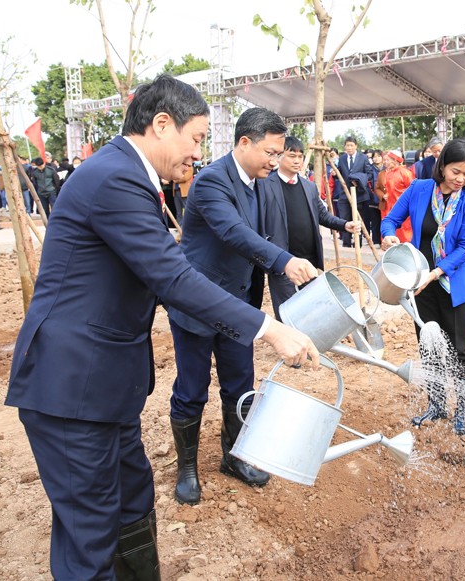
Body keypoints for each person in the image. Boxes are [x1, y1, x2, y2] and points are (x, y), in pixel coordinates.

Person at [4, 75, 318, 580]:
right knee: (91, 536)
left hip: (107, 387)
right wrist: (266, 327)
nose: (197, 152)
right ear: (161, 123)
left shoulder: (130, 177)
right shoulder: (114, 179)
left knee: (132, 501)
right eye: (195, 138)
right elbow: (171, 276)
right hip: (71, 389)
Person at [166, 107, 320, 506]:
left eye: (280, 153)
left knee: (240, 383)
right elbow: (233, 233)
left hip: (240, 304)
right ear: (244, 142)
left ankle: (234, 456)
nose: (275, 161)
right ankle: (187, 468)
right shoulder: (210, 181)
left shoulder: (263, 183)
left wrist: (289, 261)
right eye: (269, 153)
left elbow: (269, 233)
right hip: (198, 302)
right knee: (192, 388)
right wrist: (282, 259)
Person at [381, 138, 465, 435]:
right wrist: (389, 236)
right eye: (455, 172)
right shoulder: (419, 189)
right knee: (429, 346)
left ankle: (463, 410)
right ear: (442, 166)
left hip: (454, 285)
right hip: (420, 285)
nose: (461, 179)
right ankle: (436, 405)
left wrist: (436, 272)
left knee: (459, 349)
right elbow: (390, 220)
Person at [263, 135, 360, 317]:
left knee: (311, 311)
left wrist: (344, 224)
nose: (297, 161)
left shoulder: (309, 187)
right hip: (283, 260)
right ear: (279, 156)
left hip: (309, 261)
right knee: (287, 312)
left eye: (300, 156)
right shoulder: (266, 186)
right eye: (292, 156)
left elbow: (322, 215)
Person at [337, 135, 373, 247]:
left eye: (351, 145)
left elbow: (369, 174)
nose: (349, 148)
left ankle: (358, 243)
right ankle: (346, 243)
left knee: (358, 219)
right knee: (344, 217)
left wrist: (359, 181)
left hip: (359, 195)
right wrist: (334, 174)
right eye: (347, 145)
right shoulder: (342, 158)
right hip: (344, 194)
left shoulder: (363, 158)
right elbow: (339, 173)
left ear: (356, 146)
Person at [379, 149, 415, 241]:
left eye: (388, 159)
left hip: (403, 208)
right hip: (389, 207)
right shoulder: (388, 173)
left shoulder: (406, 173)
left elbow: (413, 191)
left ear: (395, 160)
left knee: (404, 235)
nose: (386, 162)